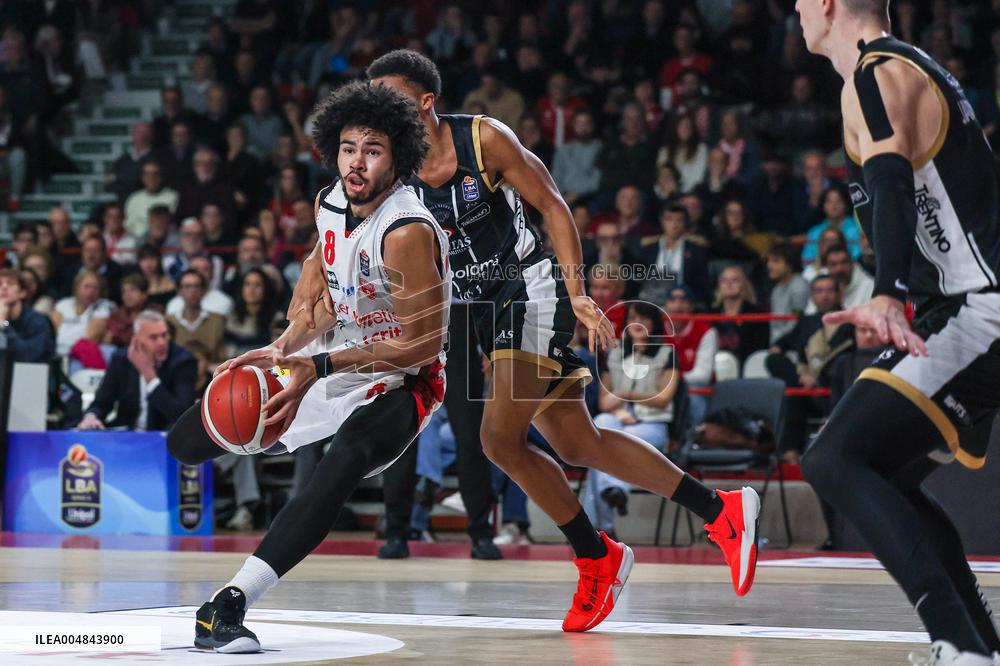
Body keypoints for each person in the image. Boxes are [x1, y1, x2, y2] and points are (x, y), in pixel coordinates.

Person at [289, 50, 762, 633]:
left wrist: (578, 291)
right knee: (578, 442)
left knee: (497, 439)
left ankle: (595, 556)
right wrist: (311, 283)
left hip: (528, 289)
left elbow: (553, 207)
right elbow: (338, 232)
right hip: (468, 310)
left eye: (391, 96)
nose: (378, 109)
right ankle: (720, 510)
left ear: (426, 101)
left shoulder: (483, 139)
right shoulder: (389, 169)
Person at [165, 81, 451, 653]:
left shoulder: (406, 230)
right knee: (188, 440)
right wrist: (282, 348)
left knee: (342, 461)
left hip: (402, 377)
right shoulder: (330, 204)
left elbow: (421, 345)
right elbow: (323, 302)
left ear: (398, 156)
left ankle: (230, 602)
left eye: (373, 150)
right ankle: (270, 418)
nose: (357, 162)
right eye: (348, 148)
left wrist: (316, 365)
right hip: (330, 356)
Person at [795, 1, 1000, 662]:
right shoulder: (905, 67)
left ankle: (958, 644)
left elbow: (890, 183)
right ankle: (979, 646)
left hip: (981, 308)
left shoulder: (876, 74)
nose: (795, 9)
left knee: (833, 458)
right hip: (961, 306)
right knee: (887, 472)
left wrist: (886, 292)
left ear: (830, 4)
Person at [585, 302, 678, 537]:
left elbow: (663, 398)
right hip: (618, 419)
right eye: (633, 317)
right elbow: (604, 403)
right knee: (602, 423)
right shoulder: (615, 354)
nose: (638, 323)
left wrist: (625, 394)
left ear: (654, 323)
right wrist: (619, 412)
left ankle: (602, 529)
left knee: (602, 454)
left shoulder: (667, 354)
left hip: (652, 424)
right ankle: (614, 491)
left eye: (644, 318)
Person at [77, 310, 196, 431]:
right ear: (136, 339)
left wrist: (149, 376)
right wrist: (91, 416)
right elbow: (102, 402)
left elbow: (181, 416)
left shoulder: (183, 361)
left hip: (164, 435)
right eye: (153, 337)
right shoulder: (121, 359)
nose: (162, 342)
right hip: (127, 434)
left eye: (164, 335)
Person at [166, 269, 226, 391]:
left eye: (196, 286)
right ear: (179, 291)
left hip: (212, 380)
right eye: (187, 286)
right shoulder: (168, 322)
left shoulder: (218, 321)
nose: (192, 291)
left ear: (203, 290)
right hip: (175, 381)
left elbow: (223, 357)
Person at [51, 269, 113, 357]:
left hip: (81, 355)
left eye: (95, 288)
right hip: (55, 352)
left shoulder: (103, 308)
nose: (91, 291)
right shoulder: (63, 304)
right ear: (76, 288)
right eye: (87, 287)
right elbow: (51, 332)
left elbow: (92, 339)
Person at [0, 268, 55, 363]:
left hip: (31, 370)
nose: (4, 287)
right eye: (0, 284)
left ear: (22, 293)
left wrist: (4, 324)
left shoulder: (37, 321)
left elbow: (27, 357)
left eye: (10, 283)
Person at [766, 242, 811, 343]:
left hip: (792, 343)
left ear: (790, 264)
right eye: (768, 261)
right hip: (776, 340)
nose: (769, 265)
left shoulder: (799, 286)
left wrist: (781, 343)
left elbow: (796, 320)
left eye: (775, 261)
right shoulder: (777, 288)